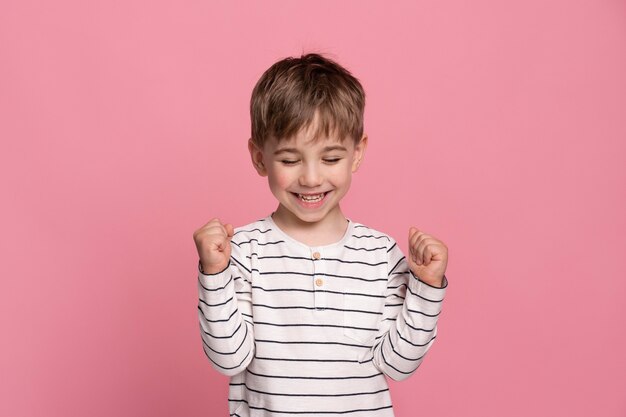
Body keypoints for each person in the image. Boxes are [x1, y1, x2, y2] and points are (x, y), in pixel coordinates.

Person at [193, 52, 449, 416]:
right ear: (259, 157)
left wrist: (425, 289)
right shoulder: (242, 252)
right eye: (290, 160)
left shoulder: (381, 256)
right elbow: (228, 359)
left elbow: (398, 364)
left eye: (330, 159)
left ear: (357, 153)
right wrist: (214, 274)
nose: (311, 178)